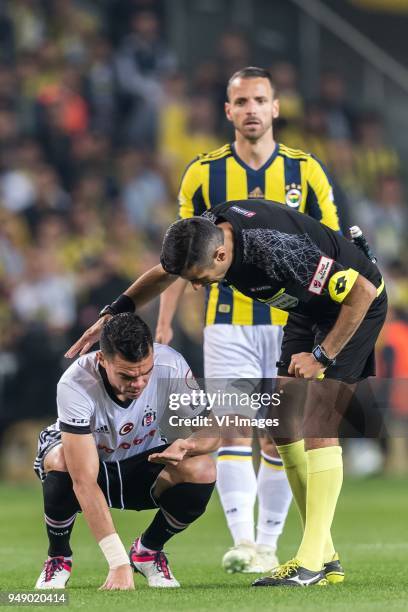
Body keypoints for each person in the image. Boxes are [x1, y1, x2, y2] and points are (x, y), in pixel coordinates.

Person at [66, 197, 387, 587]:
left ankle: (310, 562)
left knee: (319, 424)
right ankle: (326, 555)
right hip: (309, 308)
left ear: (221, 254)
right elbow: (165, 272)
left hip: (351, 310)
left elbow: (363, 292)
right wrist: (113, 313)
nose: (197, 286)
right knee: (282, 425)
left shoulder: (276, 249)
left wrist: (322, 355)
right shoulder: (205, 232)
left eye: (200, 277)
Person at [155, 66, 343, 573]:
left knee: (282, 432)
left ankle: (271, 543)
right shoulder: (202, 173)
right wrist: (164, 320)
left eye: (260, 99)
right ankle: (245, 543)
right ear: (228, 111)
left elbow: (333, 249)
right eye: (242, 102)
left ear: (276, 107)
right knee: (235, 428)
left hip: (291, 322)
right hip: (226, 322)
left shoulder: (306, 170)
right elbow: (181, 254)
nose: (252, 109)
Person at [35, 313, 217, 590]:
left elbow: (212, 431)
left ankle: (148, 551)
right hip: (89, 464)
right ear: (101, 360)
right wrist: (117, 562)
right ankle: (58, 557)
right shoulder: (75, 383)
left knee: (202, 469)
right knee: (60, 462)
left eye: (146, 372)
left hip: (143, 456)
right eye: (127, 375)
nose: (139, 384)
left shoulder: (170, 363)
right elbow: (83, 480)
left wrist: (189, 445)